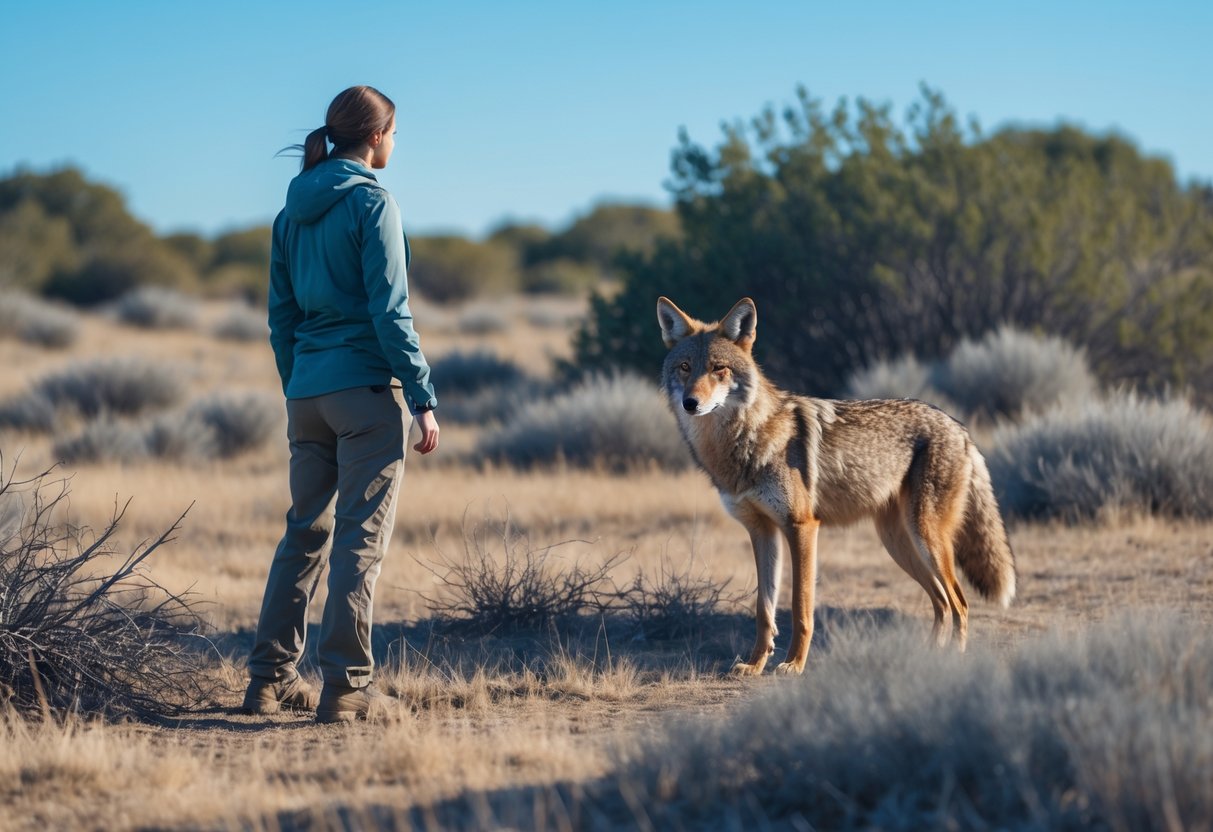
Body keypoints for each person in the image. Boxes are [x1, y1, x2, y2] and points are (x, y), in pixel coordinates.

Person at [242, 85, 439, 723]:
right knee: (359, 541)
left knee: (304, 535)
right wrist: (422, 396)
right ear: (378, 137)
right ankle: (346, 689)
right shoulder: (373, 203)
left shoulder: (288, 213)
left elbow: (280, 317)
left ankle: (266, 682)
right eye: (396, 134)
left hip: (307, 394)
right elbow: (391, 311)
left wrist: (296, 383)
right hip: (362, 397)